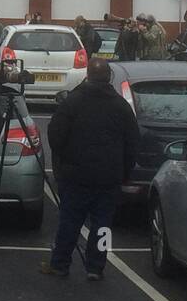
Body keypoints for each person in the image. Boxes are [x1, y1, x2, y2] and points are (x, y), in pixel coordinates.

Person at [40, 58, 139, 281]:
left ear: (88, 74)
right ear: (109, 78)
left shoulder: (73, 101)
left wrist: (62, 163)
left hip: (76, 174)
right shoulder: (121, 106)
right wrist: (125, 171)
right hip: (109, 176)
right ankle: (96, 266)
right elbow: (133, 142)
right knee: (103, 225)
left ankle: (60, 263)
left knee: (69, 221)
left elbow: (55, 136)